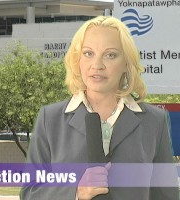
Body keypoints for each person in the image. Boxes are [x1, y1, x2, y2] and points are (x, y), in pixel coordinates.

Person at [20, 16, 179, 200]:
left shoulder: (154, 121)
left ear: (126, 63)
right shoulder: (50, 119)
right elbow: (29, 193)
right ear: (77, 60)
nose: (97, 65)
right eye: (88, 53)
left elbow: (167, 196)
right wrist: (76, 192)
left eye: (110, 55)